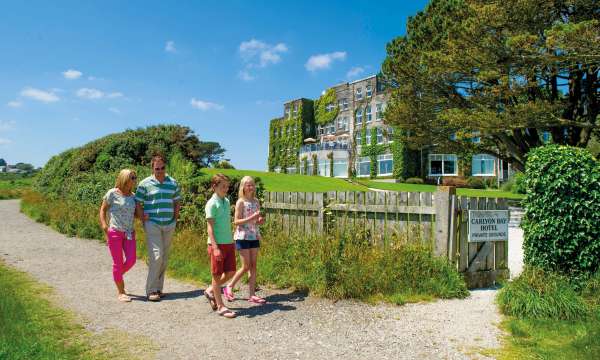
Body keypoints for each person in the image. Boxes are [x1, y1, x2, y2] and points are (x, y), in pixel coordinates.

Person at [135, 155, 181, 302]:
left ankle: (159, 289)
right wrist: (142, 217)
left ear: (165, 167)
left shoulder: (173, 182)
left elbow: (177, 201)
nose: (160, 171)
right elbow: (138, 203)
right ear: (152, 168)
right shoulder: (144, 184)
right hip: (152, 223)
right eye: (157, 168)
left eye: (162, 168)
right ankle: (151, 290)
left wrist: (175, 218)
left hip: (169, 223)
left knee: (165, 258)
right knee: (157, 256)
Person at [223, 176, 266, 304]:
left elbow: (256, 222)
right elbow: (236, 221)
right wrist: (252, 217)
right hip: (242, 236)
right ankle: (229, 286)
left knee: (253, 266)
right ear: (243, 187)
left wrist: (260, 221)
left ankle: (252, 295)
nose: (251, 187)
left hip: (254, 235)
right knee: (246, 266)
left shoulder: (256, 201)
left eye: (252, 184)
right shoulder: (240, 202)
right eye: (248, 185)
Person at [99, 169, 139, 302]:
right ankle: (121, 292)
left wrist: (145, 216)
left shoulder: (134, 196)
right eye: (132, 178)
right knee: (118, 262)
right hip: (115, 232)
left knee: (132, 260)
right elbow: (103, 209)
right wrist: (104, 225)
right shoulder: (112, 193)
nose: (134, 180)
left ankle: (117, 277)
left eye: (135, 178)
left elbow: (136, 213)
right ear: (124, 179)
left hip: (129, 233)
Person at [204, 173, 237, 318]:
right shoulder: (212, 204)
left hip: (228, 243)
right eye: (223, 186)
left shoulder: (227, 201)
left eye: (227, 186)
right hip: (216, 245)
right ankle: (221, 306)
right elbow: (209, 228)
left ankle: (211, 290)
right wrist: (215, 247)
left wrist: (232, 240)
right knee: (216, 276)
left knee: (230, 272)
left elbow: (225, 223)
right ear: (214, 187)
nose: (226, 189)